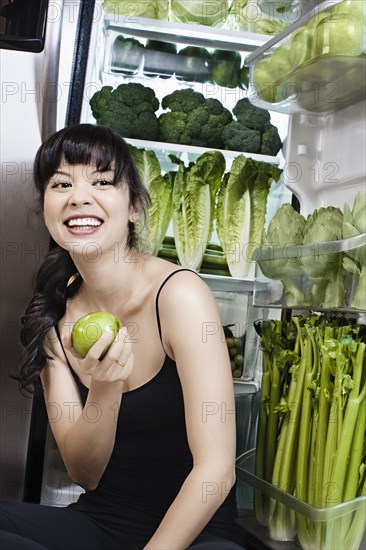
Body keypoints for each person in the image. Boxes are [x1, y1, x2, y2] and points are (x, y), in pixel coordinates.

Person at [0, 123, 246, 550]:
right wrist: (105, 385)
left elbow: (216, 471)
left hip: (197, 536)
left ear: (133, 206)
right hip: (102, 524)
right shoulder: (53, 317)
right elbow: (84, 473)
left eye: (101, 182)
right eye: (61, 184)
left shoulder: (180, 296)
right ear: (45, 207)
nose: (79, 197)